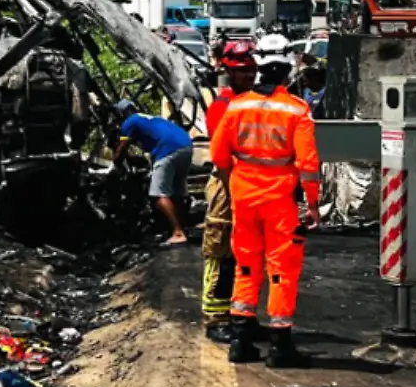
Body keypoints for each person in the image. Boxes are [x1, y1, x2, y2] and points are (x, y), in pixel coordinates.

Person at [210, 35, 321, 368]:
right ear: (288, 70)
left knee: (246, 266)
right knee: (281, 271)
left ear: (258, 67)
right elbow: (308, 164)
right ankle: (280, 348)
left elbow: (218, 154)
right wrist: (312, 204)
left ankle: (240, 343)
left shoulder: (237, 105)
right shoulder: (296, 110)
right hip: (280, 203)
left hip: (243, 198)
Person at [199, 40, 259, 343]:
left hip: (250, 185)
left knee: (246, 253)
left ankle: (241, 314)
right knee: (220, 249)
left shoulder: (254, 103)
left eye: (251, 71)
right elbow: (222, 154)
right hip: (227, 183)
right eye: (242, 72)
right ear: (229, 73)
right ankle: (215, 318)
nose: (249, 77)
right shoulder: (222, 106)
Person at [114, 100, 195, 245]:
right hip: (186, 146)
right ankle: (183, 226)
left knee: (158, 195)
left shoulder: (129, 122)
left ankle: (178, 233)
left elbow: (122, 148)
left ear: (122, 113)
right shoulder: (151, 118)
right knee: (177, 193)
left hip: (168, 150)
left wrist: (115, 163)